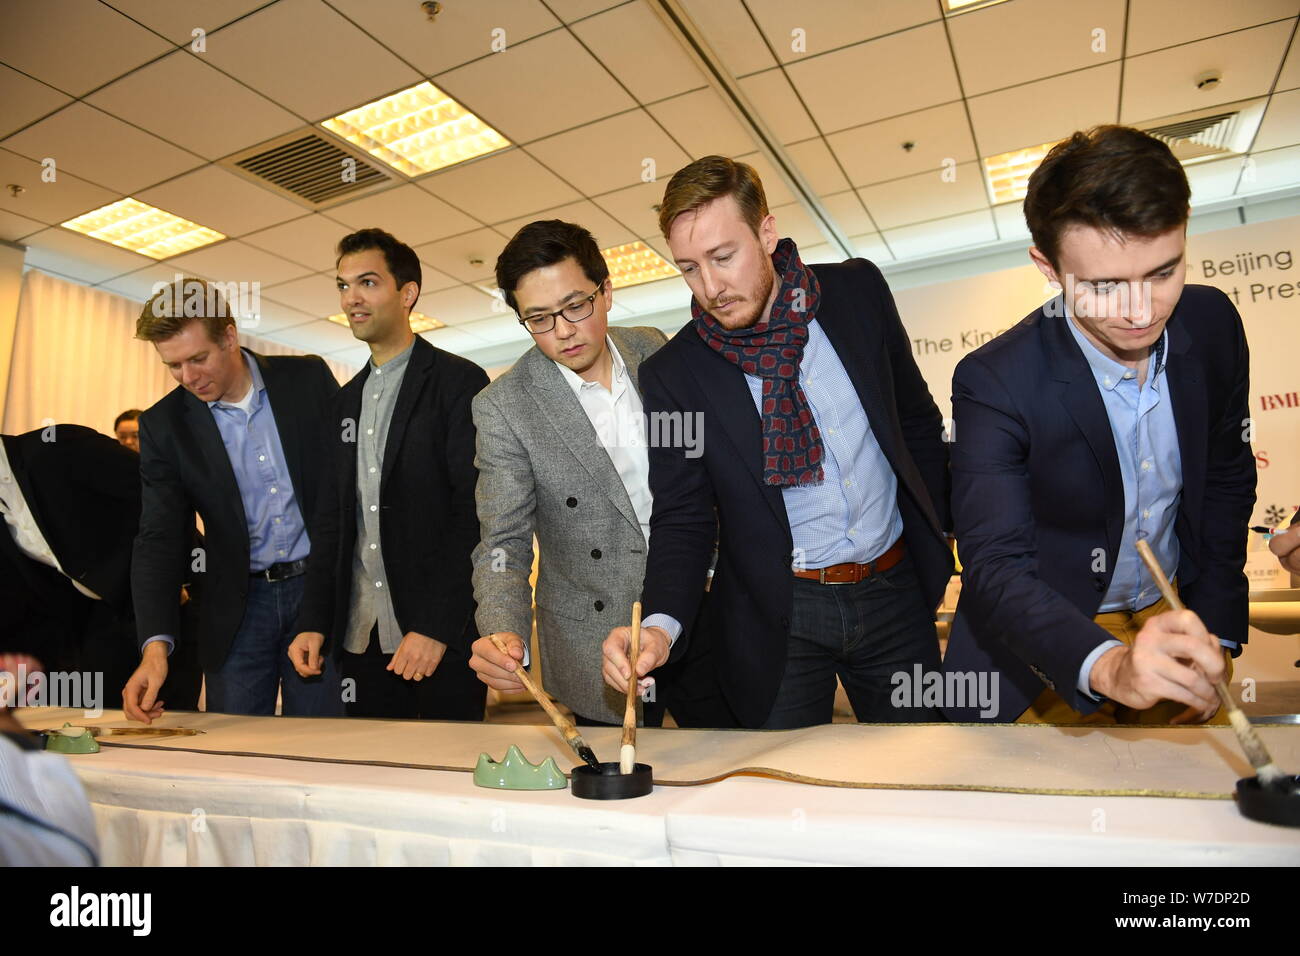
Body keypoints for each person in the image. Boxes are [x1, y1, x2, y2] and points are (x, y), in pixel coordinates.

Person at [602, 155, 954, 729]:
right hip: (779, 613)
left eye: (723, 257)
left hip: (894, 591)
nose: (711, 287)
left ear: (766, 232)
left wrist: (937, 534)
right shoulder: (673, 375)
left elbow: (915, 422)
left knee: (918, 774)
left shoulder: (857, 292)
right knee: (784, 794)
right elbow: (683, 516)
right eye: (689, 268)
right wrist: (661, 625)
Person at [943, 125, 1256, 723]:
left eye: (1163, 273)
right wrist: (1110, 666)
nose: (1141, 312)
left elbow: (1225, 483)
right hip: (1040, 642)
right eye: (1105, 286)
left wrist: (1214, 626)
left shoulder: (1213, 324)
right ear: (1048, 265)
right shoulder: (994, 380)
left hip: (1175, 619)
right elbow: (996, 566)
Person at [467, 220, 735, 727]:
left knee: (728, 764)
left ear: (606, 291)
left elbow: (706, 476)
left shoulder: (654, 348)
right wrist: (502, 627)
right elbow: (503, 539)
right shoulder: (504, 406)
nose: (563, 330)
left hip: (699, 605)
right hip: (597, 635)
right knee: (616, 792)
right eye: (539, 318)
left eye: (575, 306)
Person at [288, 230, 488, 720]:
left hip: (439, 638)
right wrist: (313, 620)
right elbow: (332, 522)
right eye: (342, 285)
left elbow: (477, 515)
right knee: (373, 779)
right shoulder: (343, 403)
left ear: (407, 293)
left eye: (368, 282)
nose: (351, 297)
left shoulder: (458, 383)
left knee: (447, 781)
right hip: (361, 639)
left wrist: (437, 626)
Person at [124, 277, 342, 722]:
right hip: (238, 609)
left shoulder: (306, 380)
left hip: (319, 592)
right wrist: (155, 647)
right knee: (237, 747)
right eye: (174, 366)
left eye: (198, 359)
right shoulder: (165, 426)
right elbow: (159, 538)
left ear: (229, 337)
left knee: (325, 745)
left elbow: (344, 493)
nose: (189, 378)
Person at [0, 425, 141, 706]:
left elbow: (162, 491)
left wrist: (177, 579)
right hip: (94, 623)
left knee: (173, 732)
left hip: (162, 605)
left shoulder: (58, 446)